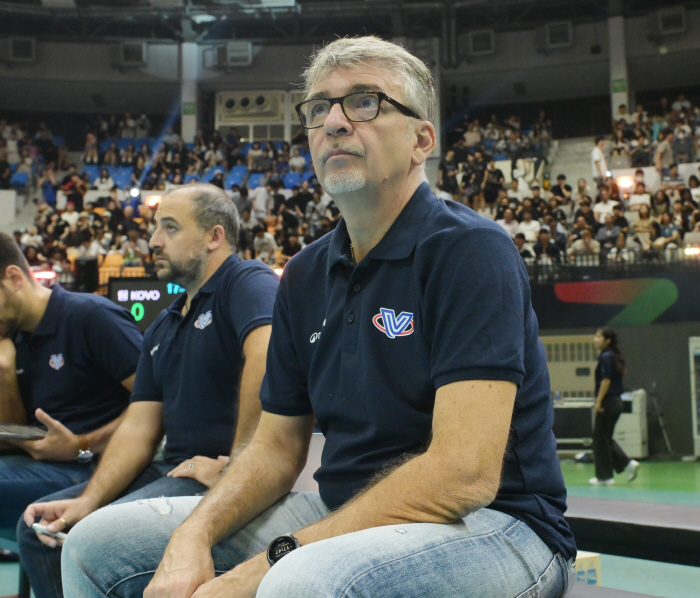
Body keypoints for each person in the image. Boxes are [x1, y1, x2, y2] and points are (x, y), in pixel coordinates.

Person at [62, 36, 575, 598]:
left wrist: (268, 563)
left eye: (364, 102)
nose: (333, 122)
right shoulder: (305, 272)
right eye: (318, 108)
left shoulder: (469, 250)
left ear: (420, 140)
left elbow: (463, 473)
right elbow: (276, 446)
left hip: (498, 526)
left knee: (300, 582)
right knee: (96, 544)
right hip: (342, 510)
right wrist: (194, 533)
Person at [19, 184, 279, 598]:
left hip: (214, 477)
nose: (154, 241)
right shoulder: (163, 325)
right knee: (38, 527)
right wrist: (89, 499)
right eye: (156, 228)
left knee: (96, 538)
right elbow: (139, 430)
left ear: (215, 237)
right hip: (173, 470)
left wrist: (240, 468)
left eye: (170, 228)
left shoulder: (245, 280)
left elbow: (267, 356)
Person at [0, 232, 142, 532]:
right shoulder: (13, 336)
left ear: (14, 278)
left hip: (97, 472)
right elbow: (10, 438)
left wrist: (81, 445)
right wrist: (6, 373)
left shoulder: (91, 316)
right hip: (37, 468)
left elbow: (160, 403)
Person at [589, 327, 640, 485]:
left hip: (608, 402)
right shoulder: (611, 356)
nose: (595, 339)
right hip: (616, 402)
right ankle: (627, 464)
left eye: (598, 336)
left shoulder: (606, 357)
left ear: (607, 340)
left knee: (599, 438)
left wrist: (598, 402)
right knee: (604, 438)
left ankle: (605, 477)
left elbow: (606, 380)